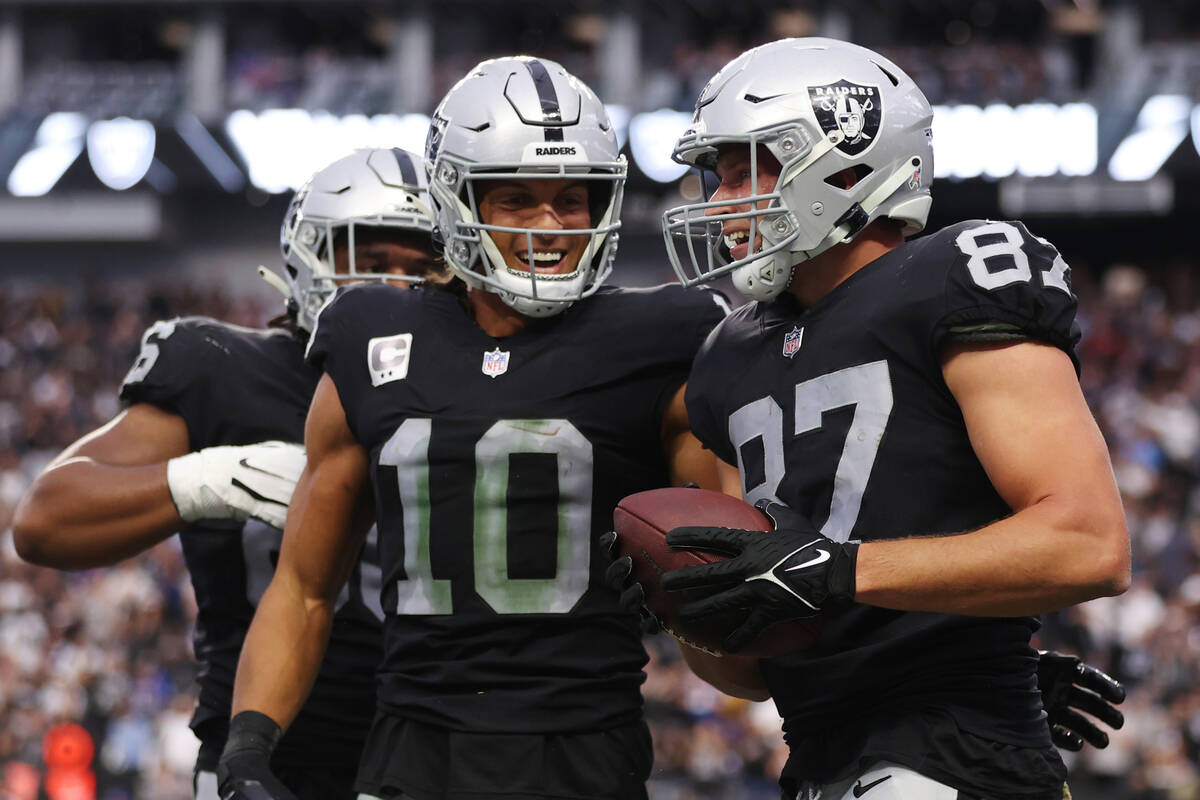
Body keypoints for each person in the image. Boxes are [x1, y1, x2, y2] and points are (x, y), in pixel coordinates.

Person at [215, 57, 733, 800]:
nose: (551, 226)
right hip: (411, 748)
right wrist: (248, 746)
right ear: (455, 200)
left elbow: (730, 591)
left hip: (584, 751)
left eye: (573, 199)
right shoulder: (371, 334)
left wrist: (695, 605)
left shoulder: (664, 337)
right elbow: (303, 588)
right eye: (517, 199)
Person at [652, 38, 1129, 799]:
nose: (719, 201)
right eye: (719, 174)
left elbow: (1089, 543)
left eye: (750, 167)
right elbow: (751, 675)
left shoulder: (953, 274)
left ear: (845, 164)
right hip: (816, 761)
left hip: (952, 755)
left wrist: (838, 571)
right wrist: (686, 603)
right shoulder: (727, 355)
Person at [12, 147, 441, 800]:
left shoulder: (473, 386)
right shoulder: (224, 367)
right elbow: (45, 519)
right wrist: (212, 477)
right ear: (310, 256)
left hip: (442, 756)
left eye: (423, 270)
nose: (398, 291)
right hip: (266, 764)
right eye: (373, 264)